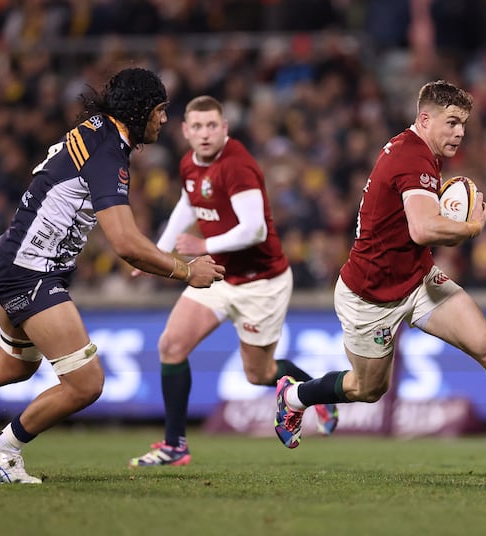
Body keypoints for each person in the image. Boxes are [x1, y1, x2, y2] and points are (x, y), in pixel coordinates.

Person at [0, 68, 225, 483]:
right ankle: (4, 448)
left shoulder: (97, 132)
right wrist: (186, 270)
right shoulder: (108, 150)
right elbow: (125, 242)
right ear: (140, 109)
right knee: (86, 383)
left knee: (11, 365)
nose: (165, 119)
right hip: (30, 270)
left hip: (15, 258)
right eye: (160, 109)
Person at [271, 80, 486, 474]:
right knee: (367, 389)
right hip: (370, 295)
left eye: (463, 124)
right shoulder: (413, 157)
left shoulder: (420, 152)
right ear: (424, 120)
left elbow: (416, 232)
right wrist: (471, 228)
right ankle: (295, 396)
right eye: (452, 122)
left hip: (418, 280)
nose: (460, 132)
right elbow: (422, 229)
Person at [128, 96, 338, 467]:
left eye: (212, 125)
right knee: (171, 346)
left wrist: (202, 245)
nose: (205, 134)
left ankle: (316, 394)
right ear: (185, 130)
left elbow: (255, 229)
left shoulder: (237, 165)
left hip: (261, 282)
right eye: (197, 126)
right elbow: (189, 203)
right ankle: (175, 446)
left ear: (225, 128)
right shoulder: (189, 163)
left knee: (259, 374)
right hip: (218, 276)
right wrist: (158, 253)